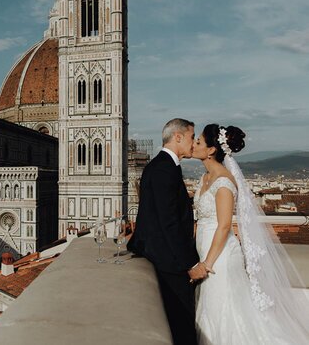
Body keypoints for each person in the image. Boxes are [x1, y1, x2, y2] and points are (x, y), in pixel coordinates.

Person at [192, 124, 309, 344]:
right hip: (206, 252)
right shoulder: (205, 178)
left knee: (223, 313)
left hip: (220, 260)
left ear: (210, 151)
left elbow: (224, 225)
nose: (194, 144)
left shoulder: (223, 182)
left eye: (198, 141)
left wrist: (207, 264)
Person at [128, 118, 208, 345]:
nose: (194, 143)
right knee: (181, 326)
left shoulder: (161, 166)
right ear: (178, 137)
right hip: (169, 263)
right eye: (192, 137)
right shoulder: (164, 169)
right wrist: (190, 265)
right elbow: (169, 222)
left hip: (163, 258)